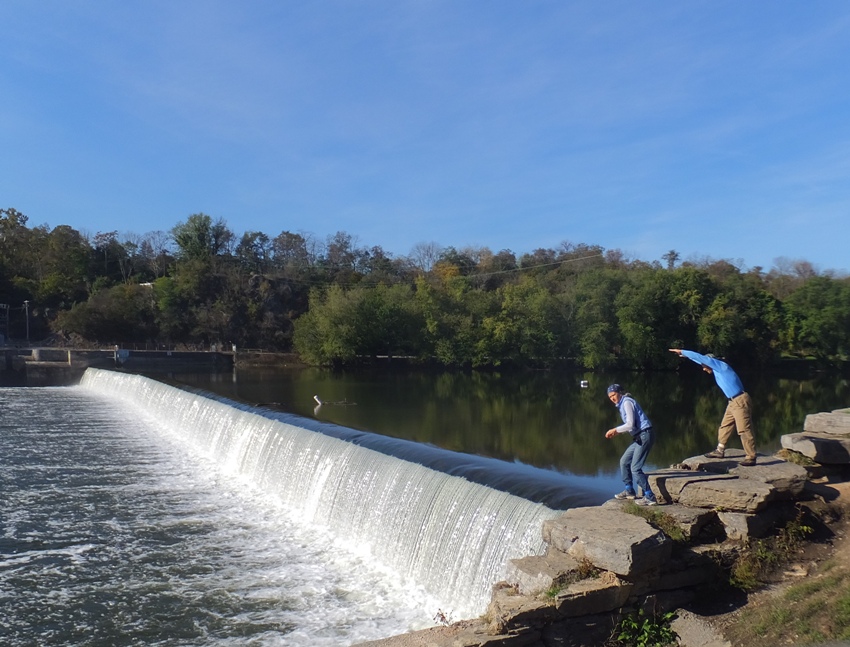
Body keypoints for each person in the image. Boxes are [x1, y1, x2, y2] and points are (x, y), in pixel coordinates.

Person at [668, 348, 757, 466]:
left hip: (740, 401)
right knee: (725, 426)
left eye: (704, 366)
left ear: (710, 361)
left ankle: (751, 457)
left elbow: (701, 358)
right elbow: (700, 360)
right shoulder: (717, 369)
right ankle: (720, 450)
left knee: (744, 429)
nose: (704, 369)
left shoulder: (721, 366)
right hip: (733, 402)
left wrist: (682, 352)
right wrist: (688, 357)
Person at [605, 384, 658, 506]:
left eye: (613, 395)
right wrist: (618, 433)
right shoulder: (622, 404)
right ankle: (629, 490)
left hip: (645, 435)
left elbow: (629, 424)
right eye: (610, 397)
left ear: (619, 393)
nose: (612, 398)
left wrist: (615, 430)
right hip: (639, 437)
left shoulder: (626, 402)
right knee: (624, 461)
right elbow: (631, 426)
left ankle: (649, 496)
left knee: (635, 468)